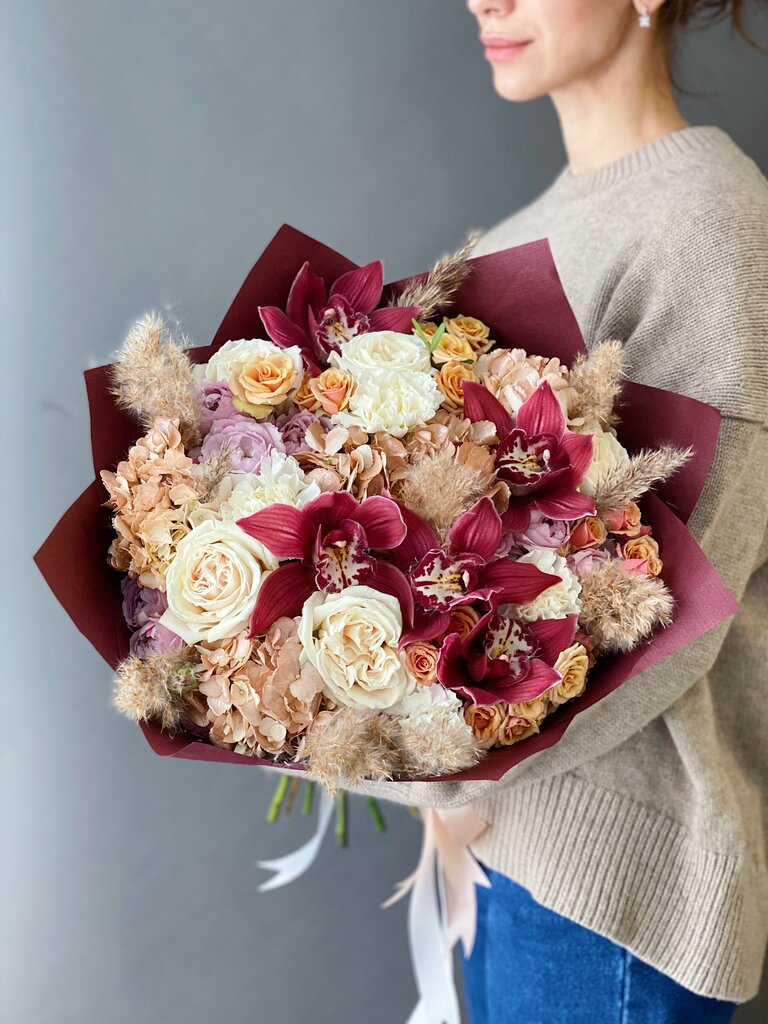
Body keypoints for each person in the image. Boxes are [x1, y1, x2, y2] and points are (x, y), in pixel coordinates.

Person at [356, 1, 768, 1021]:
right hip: (499, 859)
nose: (485, 1)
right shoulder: (508, 239)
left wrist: (407, 761)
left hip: (615, 895)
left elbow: (671, 623)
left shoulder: (715, 227)